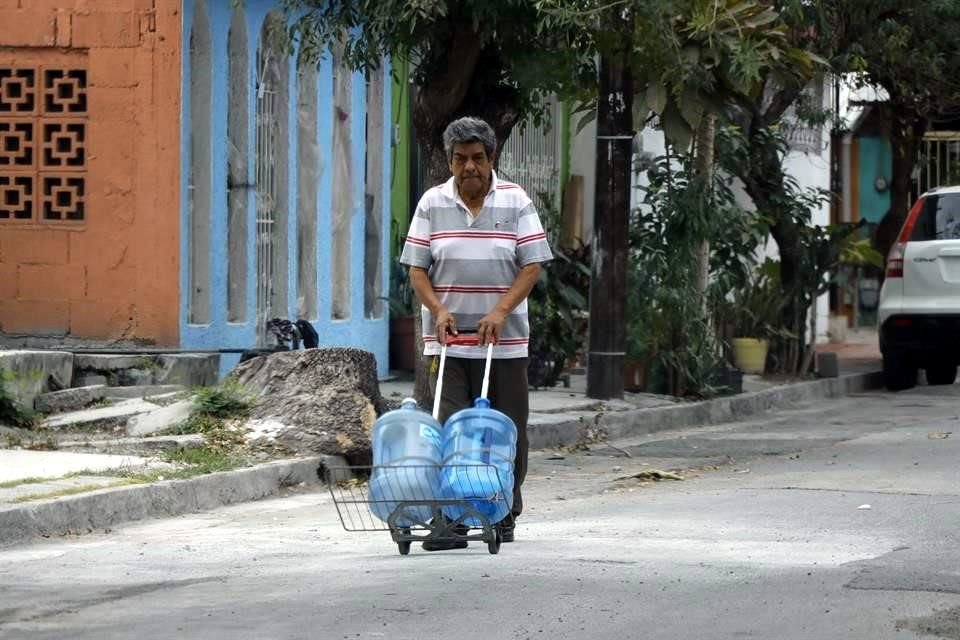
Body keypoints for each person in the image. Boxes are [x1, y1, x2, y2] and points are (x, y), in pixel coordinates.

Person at [399, 116, 553, 550]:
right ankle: (452, 518)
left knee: (508, 428)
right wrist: (438, 310)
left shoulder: (515, 200)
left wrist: (501, 311)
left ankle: (504, 509)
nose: (470, 167)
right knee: (449, 427)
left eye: (478, 158)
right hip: (447, 340)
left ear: (492, 159)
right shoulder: (432, 202)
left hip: (504, 342)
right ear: (450, 161)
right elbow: (417, 269)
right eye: (461, 159)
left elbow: (532, 264)